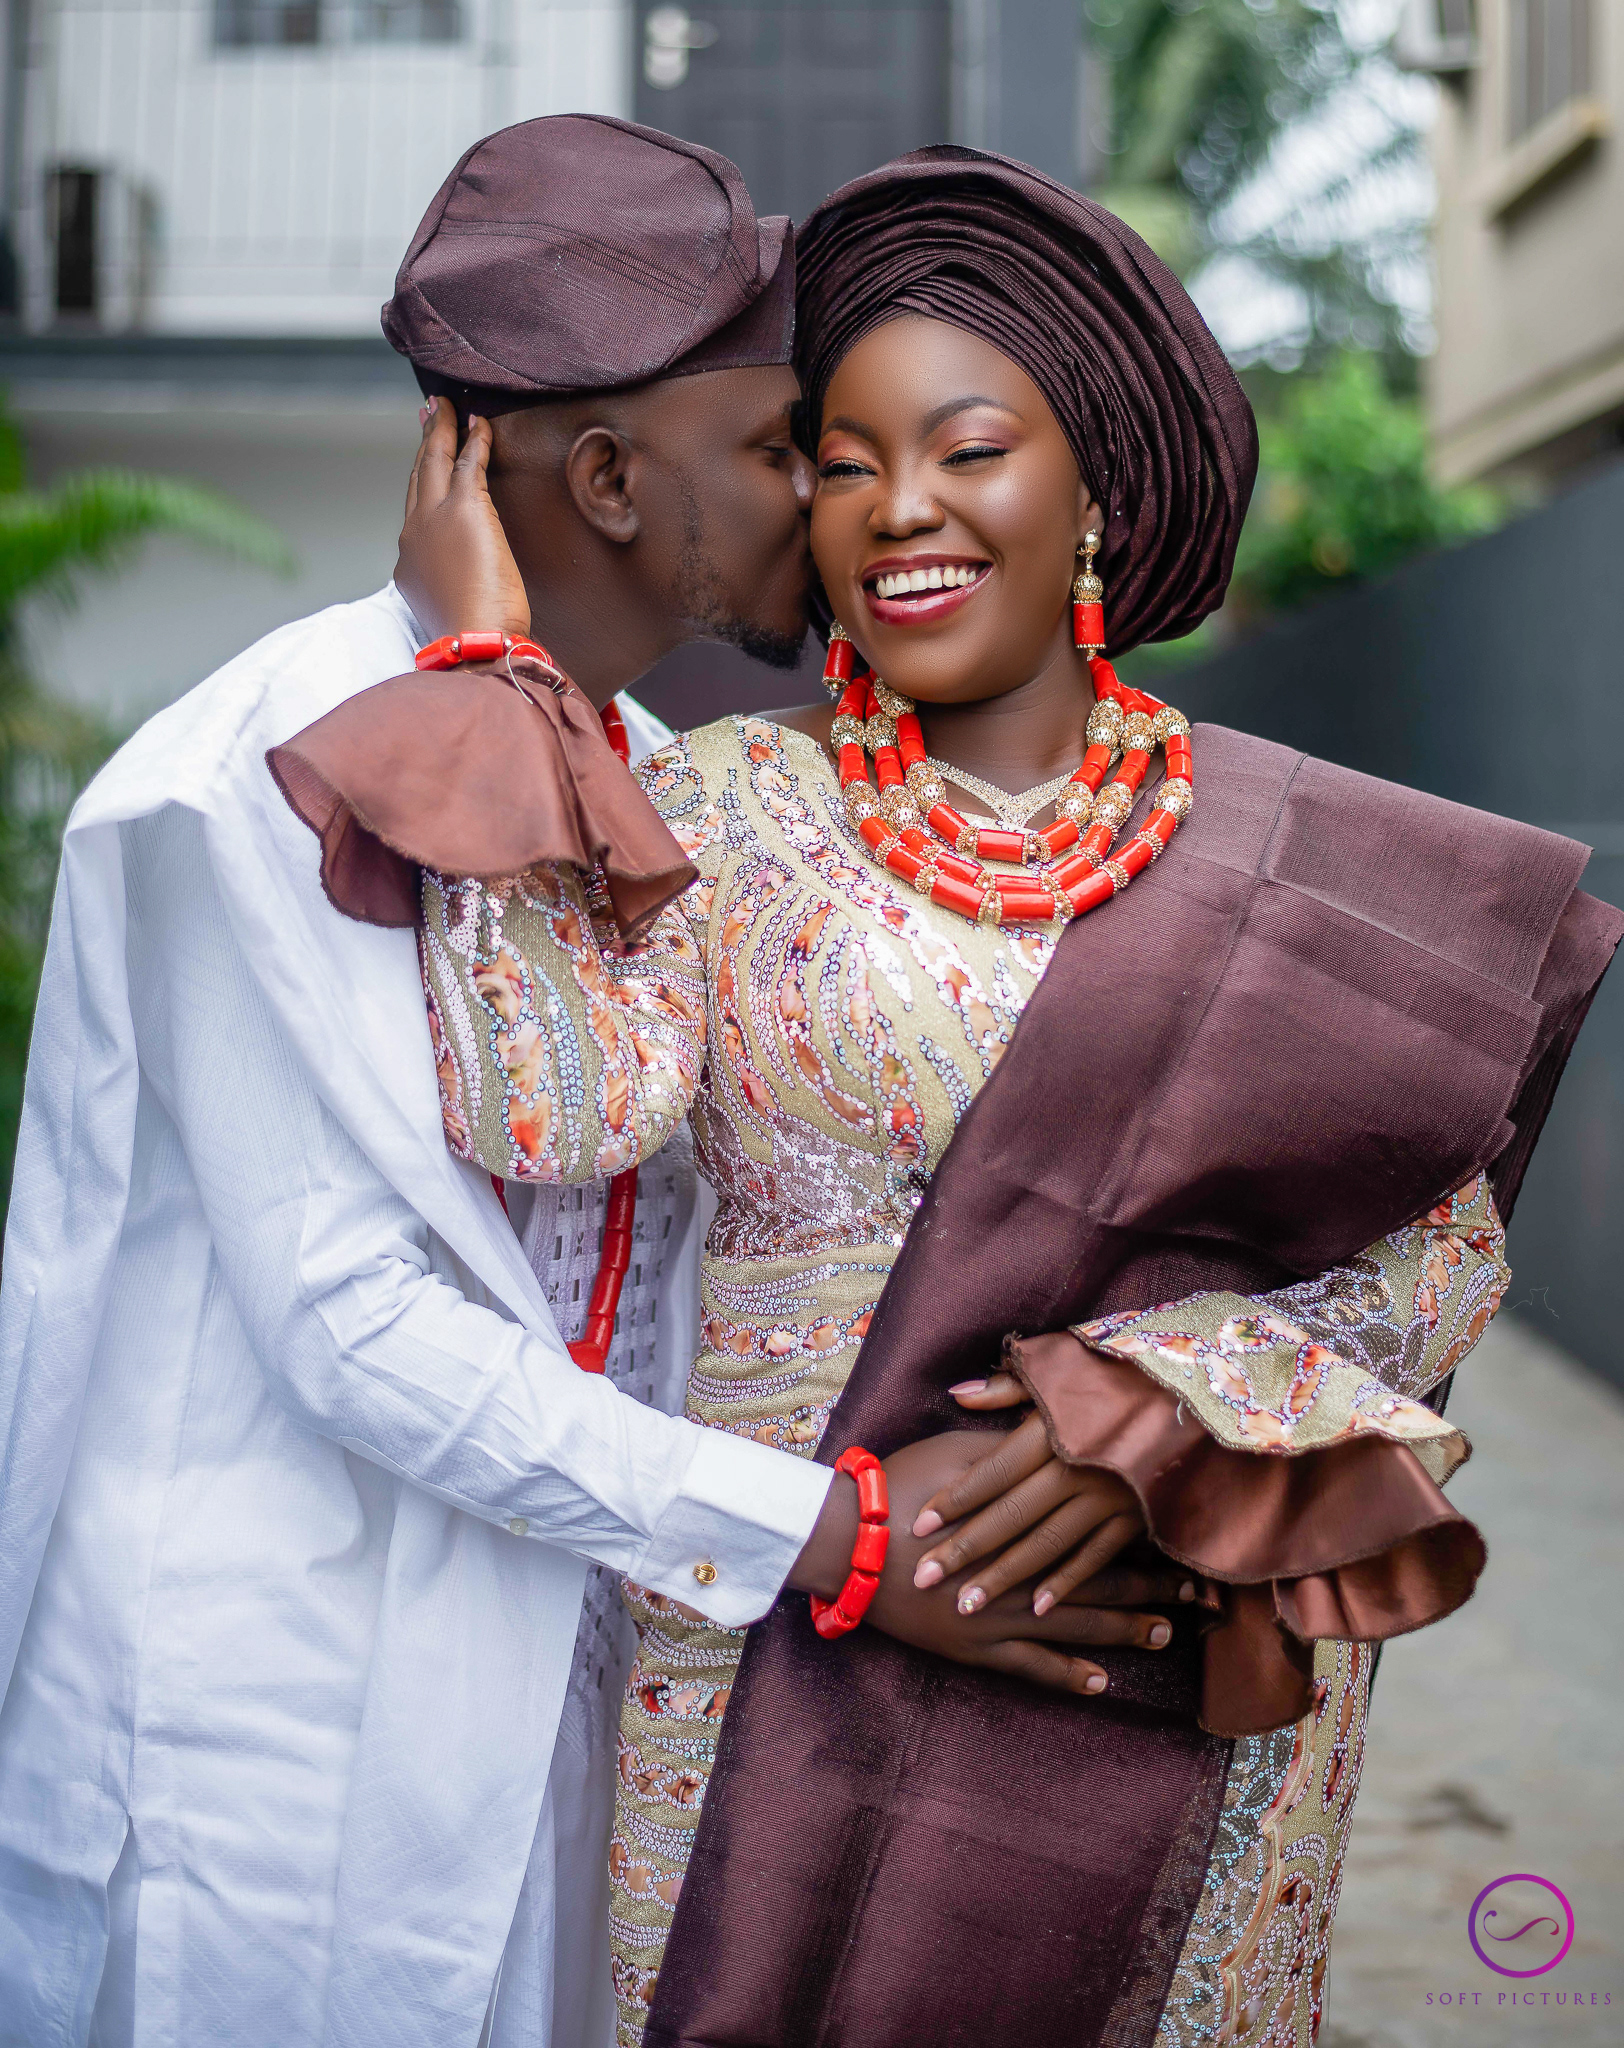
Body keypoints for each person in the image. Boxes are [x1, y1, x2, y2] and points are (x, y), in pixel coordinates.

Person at [397, 150, 1620, 2047]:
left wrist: (1136, 1413)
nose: (901, 509)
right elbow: (548, 1108)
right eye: (845, 463)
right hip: (783, 1623)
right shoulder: (719, 808)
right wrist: (494, 669)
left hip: (1153, 1619)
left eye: (968, 450)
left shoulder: (1298, 864)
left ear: (1095, 494)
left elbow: (1434, 1263)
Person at [0, 120, 1166, 2048]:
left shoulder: (656, 773)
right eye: (790, 447)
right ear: (613, 478)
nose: (840, 499)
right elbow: (357, 1325)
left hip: (566, 1685)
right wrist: (837, 1538)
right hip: (265, 1734)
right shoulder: (254, 777)